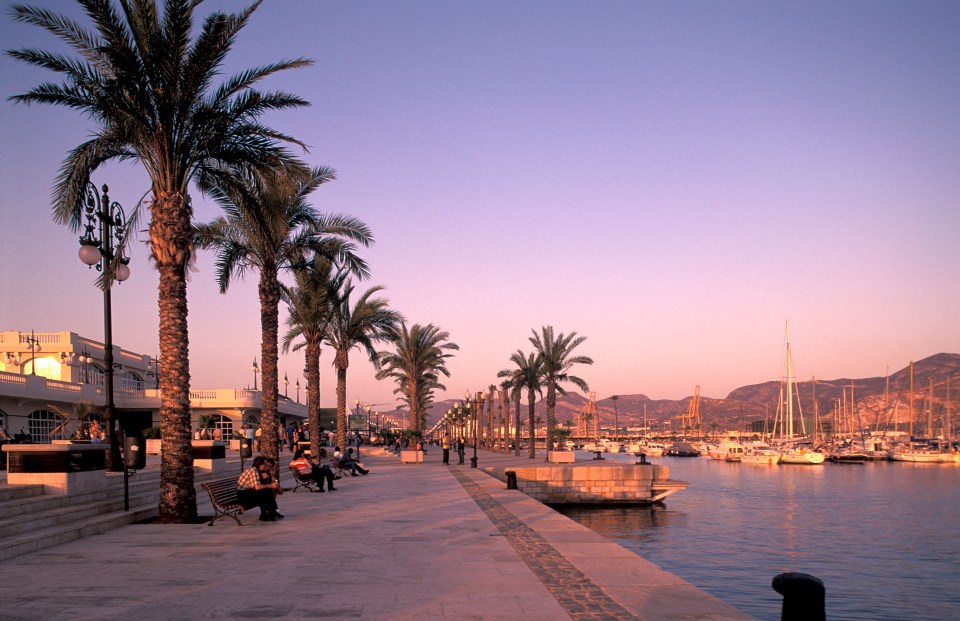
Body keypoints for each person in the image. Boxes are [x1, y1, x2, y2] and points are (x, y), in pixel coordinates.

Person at [237, 456, 282, 521]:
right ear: (259, 464)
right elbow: (257, 487)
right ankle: (267, 513)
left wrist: (273, 486)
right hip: (243, 495)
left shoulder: (258, 471)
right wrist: (271, 486)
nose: (266, 466)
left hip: (248, 492)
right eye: (265, 464)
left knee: (266, 489)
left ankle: (270, 512)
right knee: (264, 490)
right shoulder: (253, 471)